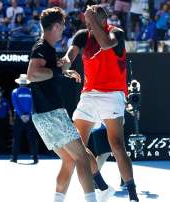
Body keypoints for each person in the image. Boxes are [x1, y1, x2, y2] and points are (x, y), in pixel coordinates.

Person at [59, 5, 140, 202]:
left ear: (101, 21)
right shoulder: (82, 35)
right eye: (86, 23)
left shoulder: (116, 33)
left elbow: (105, 44)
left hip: (113, 95)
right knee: (76, 146)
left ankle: (132, 195)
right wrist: (65, 64)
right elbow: (70, 54)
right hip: (88, 95)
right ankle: (102, 186)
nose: (87, 25)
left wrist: (93, 22)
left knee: (117, 145)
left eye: (90, 22)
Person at [26, 7, 97, 202]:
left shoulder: (46, 49)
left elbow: (48, 71)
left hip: (43, 115)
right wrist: (58, 72)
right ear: (56, 26)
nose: (63, 30)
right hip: (51, 113)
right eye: (62, 26)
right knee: (82, 157)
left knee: (69, 160)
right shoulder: (41, 48)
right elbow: (32, 75)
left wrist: (62, 71)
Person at [10, 74, 38, 164]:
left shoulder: (16, 91)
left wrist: (22, 115)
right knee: (29, 138)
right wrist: (27, 115)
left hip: (21, 117)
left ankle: (15, 158)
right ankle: (34, 157)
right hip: (26, 116)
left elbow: (16, 105)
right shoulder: (29, 91)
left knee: (20, 137)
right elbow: (31, 105)